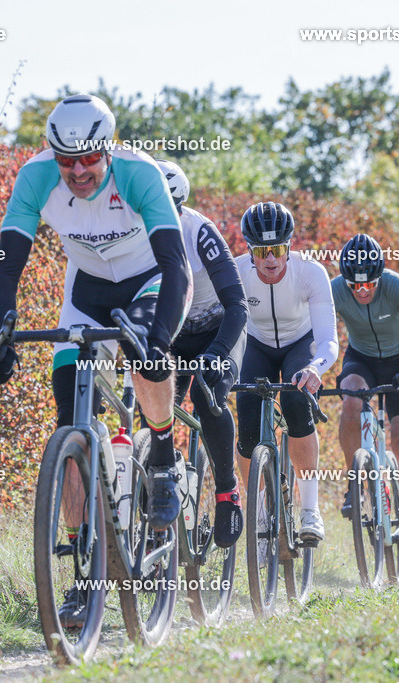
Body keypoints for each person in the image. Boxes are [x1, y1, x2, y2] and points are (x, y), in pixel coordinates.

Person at [0, 94, 191, 626]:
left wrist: (159, 340)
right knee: (69, 424)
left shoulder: (139, 174)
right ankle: (82, 569)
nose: (77, 171)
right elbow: (7, 269)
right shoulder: (34, 178)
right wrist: (0, 336)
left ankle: (163, 451)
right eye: (65, 160)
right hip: (88, 289)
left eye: (88, 160)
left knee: (148, 359)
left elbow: (177, 266)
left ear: (107, 150)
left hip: (150, 279)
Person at [235, 201, 338, 546]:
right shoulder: (235, 274)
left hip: (301, 343)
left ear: (289, 247)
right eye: (262, 251)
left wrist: (314, 368)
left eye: (277, 249)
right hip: (256, 344)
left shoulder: (311, 273)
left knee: (297, 403)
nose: (270, 260)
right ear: (249, 249)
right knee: (247, 427)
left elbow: (328, 341)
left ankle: (310, 509)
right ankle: (260, 514)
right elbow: (224, 330)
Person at [156, 159, 247, 548]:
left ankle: (226, 491)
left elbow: (238, 305)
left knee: (205, 395)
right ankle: (158, 486)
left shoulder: (200, 232)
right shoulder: (132, 232)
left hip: (217, 328)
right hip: (173, 333)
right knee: (153, 404)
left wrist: (218, 352)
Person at [331, 234, 399, 566]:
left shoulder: (396, 286)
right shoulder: (334, 290)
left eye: (369, 285)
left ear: (380, 276)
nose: (362, 291)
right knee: (350, 398)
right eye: (354, 286)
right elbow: (314, 330)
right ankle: (353, 482)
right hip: (361, 359)